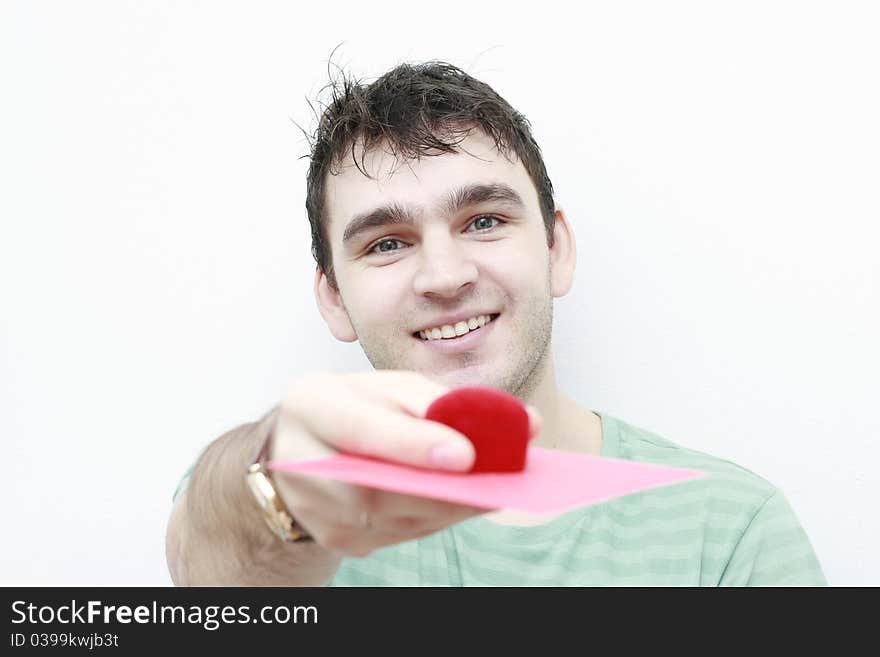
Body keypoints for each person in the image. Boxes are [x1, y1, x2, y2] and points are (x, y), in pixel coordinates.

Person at [165, 60, 826, 586]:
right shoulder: (270, 494)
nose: (445, 275)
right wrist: (278, 488)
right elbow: (215, 559)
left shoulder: (733, 527)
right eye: (387, 243)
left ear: (555, 249)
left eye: (484, 220)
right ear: (335, 298)